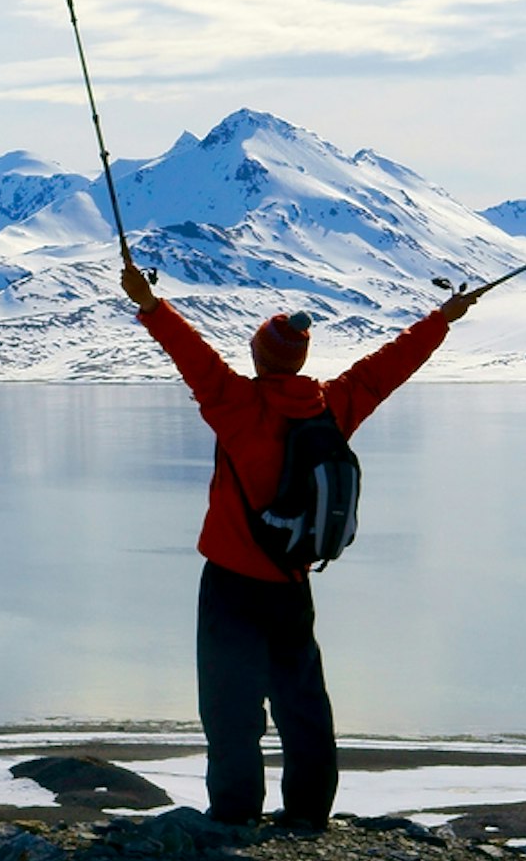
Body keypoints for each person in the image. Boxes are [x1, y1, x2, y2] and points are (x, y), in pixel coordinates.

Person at [118, 262, 471, 830]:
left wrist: (151, 305)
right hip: (292, 581)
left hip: (232, 582)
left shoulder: (234, 404)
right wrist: (441, 319)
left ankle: (234, 814)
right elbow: (388, 367)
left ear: (258, 356)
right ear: (300, 361)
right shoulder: (333, 407)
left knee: (230, 704)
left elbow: (191, 353)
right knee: (301, 700)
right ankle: (308, 813)